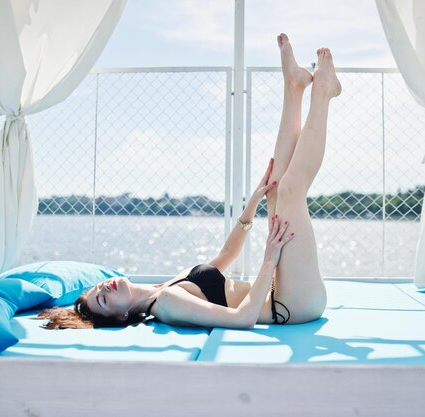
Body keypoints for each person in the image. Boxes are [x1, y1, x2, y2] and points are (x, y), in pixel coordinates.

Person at [39, 33, 341, 329]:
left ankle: (295, 87)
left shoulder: (165, 286)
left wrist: (252, 205)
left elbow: (226, 255)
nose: (104, 289)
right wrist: (268, 259)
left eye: (97, 289)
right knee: (289, 191)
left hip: (281, 289)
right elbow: (243, 318)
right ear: (121, 317)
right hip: (291, 305)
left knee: (274, 189)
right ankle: (324, 90)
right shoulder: (167, 304)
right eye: (102, 300)